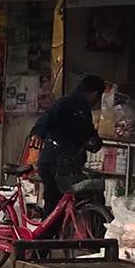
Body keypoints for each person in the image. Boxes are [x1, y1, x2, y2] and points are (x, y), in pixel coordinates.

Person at [31, 74, 106, 219]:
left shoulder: (83, 111)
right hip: (54, 163)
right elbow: (46, 120)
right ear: (95, 94)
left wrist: (94, 141)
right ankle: (47, 239)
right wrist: (38, 134)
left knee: (65, 203)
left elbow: (89, 135)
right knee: (53, 203)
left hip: (69, 165)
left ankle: (58, 236)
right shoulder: (66, 104)